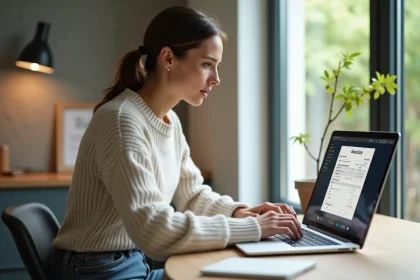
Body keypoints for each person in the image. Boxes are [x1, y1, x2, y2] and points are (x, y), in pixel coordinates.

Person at [48, 5, 302, 280]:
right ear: (168, 57)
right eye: (207, 64)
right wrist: (255, 228)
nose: (216, 79)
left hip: (129, 262)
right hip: (95, 271)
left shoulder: (169, 120)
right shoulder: (122, 121)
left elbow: (191, 195)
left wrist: (241, 213)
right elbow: (154, 233)